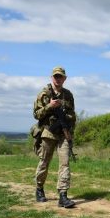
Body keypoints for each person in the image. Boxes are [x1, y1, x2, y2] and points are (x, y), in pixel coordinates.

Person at [33, 66, 76, 208]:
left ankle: (63, 196)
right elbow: (36, 114)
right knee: (44, 161)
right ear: (52, 77)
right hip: (48, 132)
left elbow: (72, 115)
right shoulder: (44, 94)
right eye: (56, 76)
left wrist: (69, 129)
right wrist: (50, 106)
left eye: (60, 76)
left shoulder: (68, 95)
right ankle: (39, 189)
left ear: (65, 78)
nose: (58, 79)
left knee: (65, 163)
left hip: (63, 133)